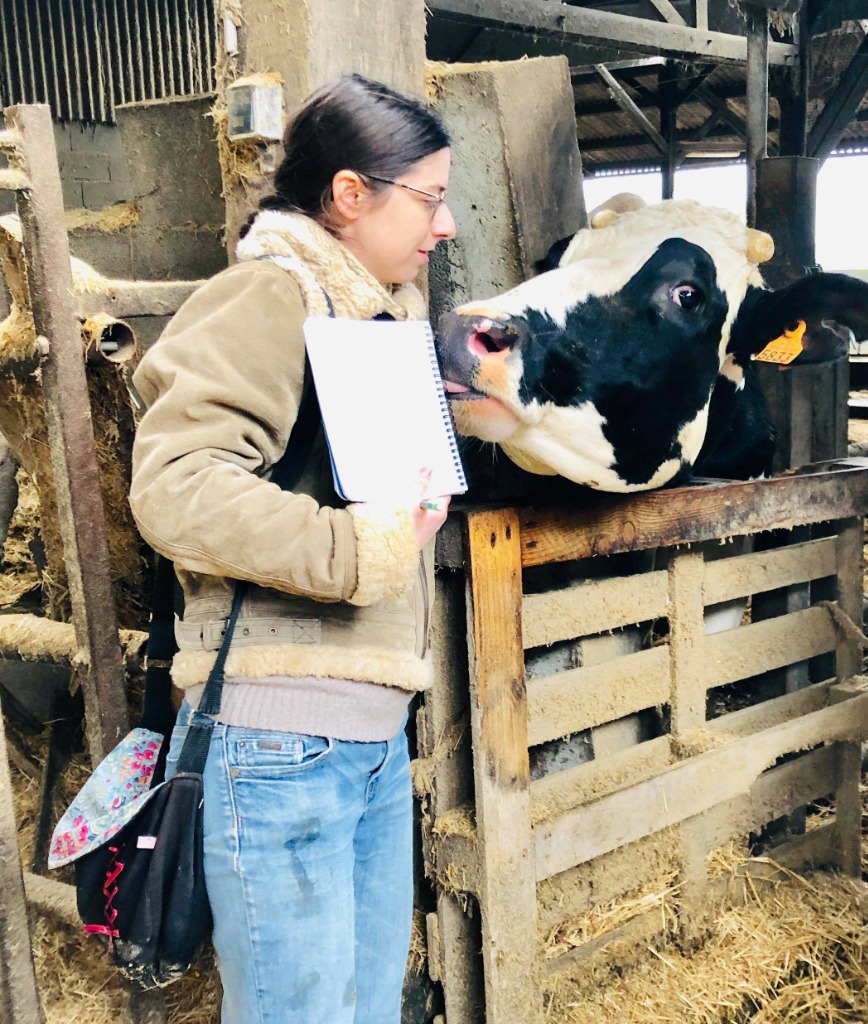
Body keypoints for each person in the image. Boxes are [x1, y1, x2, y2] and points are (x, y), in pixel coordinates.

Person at [128, 73, 456, 1024]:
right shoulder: (269, 298)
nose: (441, 227)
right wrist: (359, 551)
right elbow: (178, 487)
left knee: (360, 1008)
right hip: (277, 737)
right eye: (428, 200)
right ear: (352, 195)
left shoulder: (365, 317)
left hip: (361, 733)